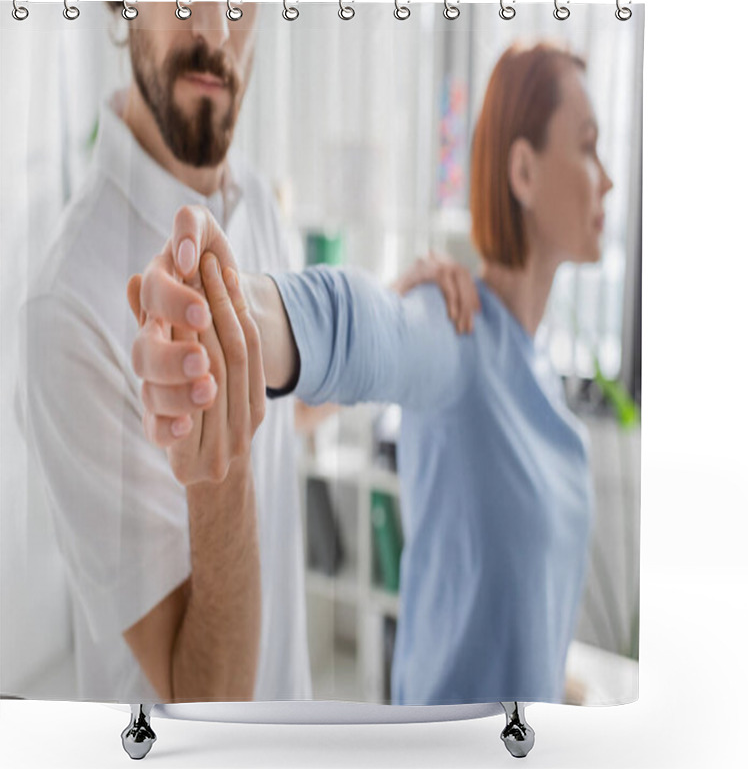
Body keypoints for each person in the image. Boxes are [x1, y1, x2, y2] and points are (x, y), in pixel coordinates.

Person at [16, 0, 476, 704]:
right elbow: (205, 702)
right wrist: (216, 472)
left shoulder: (254, 197)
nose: (213, 30)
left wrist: (390, 312)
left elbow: (280, 419)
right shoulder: (66, 308)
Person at [131, 40, 614, 705]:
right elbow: (362, 326)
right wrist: (233, 312)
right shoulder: (457, 329)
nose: (608, 177)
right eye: (587, 145)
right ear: (524, 172)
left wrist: (555, 686)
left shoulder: (541, 364)